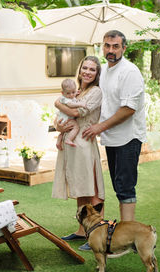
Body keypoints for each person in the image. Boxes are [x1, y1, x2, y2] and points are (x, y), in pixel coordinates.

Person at [83, 30, 147, 225]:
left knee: (125, 187)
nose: (111, 50)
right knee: (117, 185)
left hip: (128, 138)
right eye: (107, 46)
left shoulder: (130, 72)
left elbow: (128, 109)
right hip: (111, 137)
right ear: (103, 47)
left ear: (124, 48)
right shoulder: (104, 70)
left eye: (115, 46)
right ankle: (116, 232)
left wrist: (99, 127)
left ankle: (127, 235)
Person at [52, 56, 105, 251]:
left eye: (92, 69)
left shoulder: (96, 92)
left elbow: (76, 113)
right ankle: (82, 230)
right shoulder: (77, 91)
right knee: (80, 188)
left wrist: (58, 104)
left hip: (83, 142)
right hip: (72, 142)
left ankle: (97, 232)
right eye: (85, 68)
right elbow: (61, 118)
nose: (88, 72)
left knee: (92, 189)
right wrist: (58, 124)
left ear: (97, 73)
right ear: (80, 69)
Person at [55, 78, 87, 150]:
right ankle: (68, 139)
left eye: (73, 92)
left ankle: (58, 141)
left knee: (63, 132)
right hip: (66, 119)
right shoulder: (64, 99)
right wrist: (80, 104)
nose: (71, 95)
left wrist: (76, 94)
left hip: (63, 119)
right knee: (76, 127)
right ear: (62, 93)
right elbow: (71, 105)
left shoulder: (70, 97)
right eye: (68, 93)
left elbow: (73, 98)